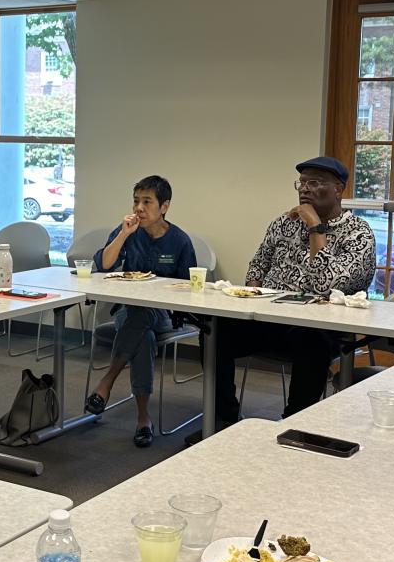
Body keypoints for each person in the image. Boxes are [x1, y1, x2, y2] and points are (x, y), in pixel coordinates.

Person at [189, 156, 375, 446]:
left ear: (338, 188)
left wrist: (315, 227)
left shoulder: (358, 234)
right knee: (215, 331)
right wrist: (253, 299)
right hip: (269, 319)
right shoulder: (283, 224)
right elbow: (257, 266)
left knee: (312, 339)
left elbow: (328, 284)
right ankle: (222, 415)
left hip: (321, 327)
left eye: (315, 183)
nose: (305, 189)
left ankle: (295, 427)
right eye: (302, 183)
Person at [84, 175, 197, 447]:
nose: (139, 208)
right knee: (142, 335)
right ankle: (143, 418)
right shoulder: (127, 231)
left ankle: (107, 382)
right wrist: (124, 234)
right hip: (130, 311)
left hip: (166, 315)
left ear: (165, 206)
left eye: (147, 202)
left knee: (144, 314)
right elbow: (104, 266)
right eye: (136, 201)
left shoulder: (179, 240)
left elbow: (191, 289)